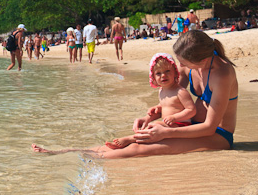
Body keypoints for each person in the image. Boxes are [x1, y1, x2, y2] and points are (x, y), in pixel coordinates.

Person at [32, 54, 196, 154]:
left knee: (155, 127)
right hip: (168, 124)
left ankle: (130, 139)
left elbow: (191, 110)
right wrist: (158, 108)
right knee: (150, 128)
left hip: (179, 126)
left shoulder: (180, 91)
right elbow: (168, 105)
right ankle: (135, 138)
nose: (163, 76)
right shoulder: (162, 91)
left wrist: (175, 117)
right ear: (154, 77)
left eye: (167, 71)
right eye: (159, 73)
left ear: (175, 72)